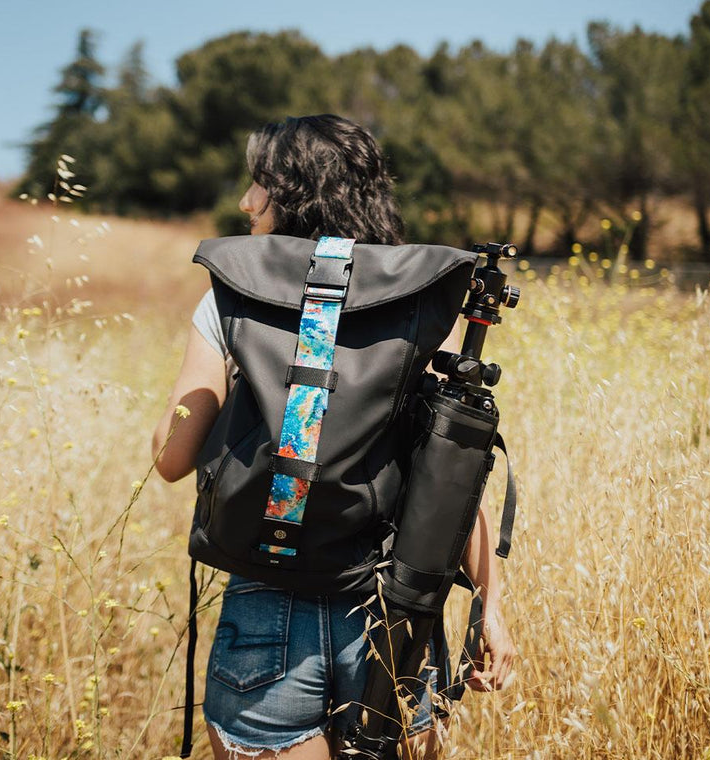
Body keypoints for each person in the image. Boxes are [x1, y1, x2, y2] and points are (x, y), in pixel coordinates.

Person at [152, 115, 515, 760]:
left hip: (263, 610)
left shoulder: (229, 297)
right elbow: (454, 473)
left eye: (257, 185)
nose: (245, 204)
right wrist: (491, 608)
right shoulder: (421, 303)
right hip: (390, 610)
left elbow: (171, 459)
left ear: (288, 192)